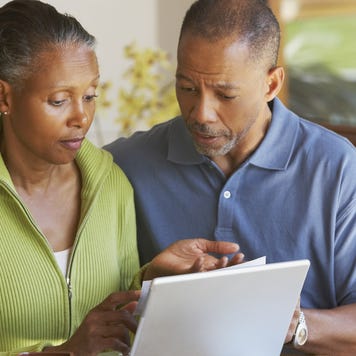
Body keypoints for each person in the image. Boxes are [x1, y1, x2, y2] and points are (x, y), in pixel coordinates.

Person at [105, 0, 356, 355]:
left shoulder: (337, 167)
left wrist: (295, 324)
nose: (201, 113)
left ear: (271, 84)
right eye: (187, 88)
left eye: (225, 94)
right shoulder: (124, 164)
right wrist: (147, 283)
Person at [0, 1, 244, 355]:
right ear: (5, 96)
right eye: (58, 101)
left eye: (89, 96)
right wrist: (64, 352)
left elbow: (117, 323)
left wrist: (150, 281)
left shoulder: (109, 181)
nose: (82, 117)